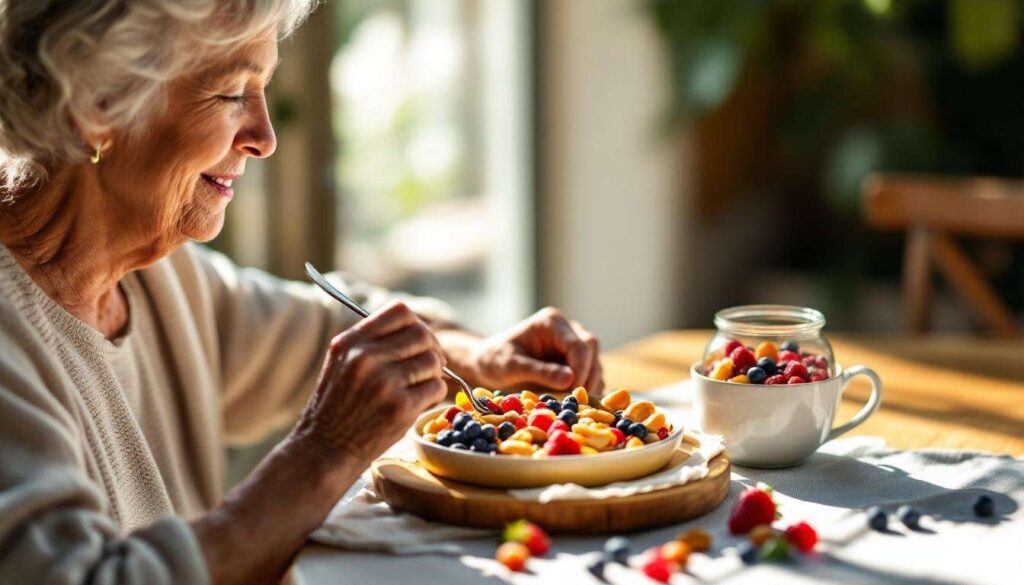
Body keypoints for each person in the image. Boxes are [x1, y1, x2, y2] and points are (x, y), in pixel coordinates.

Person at [0, 1, 603, 583]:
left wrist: (479, 356)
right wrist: (327, 450)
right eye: (233, 93)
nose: (265, 137)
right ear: (96, 105)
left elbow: (324, 330)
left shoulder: (156, 276)